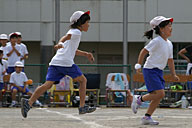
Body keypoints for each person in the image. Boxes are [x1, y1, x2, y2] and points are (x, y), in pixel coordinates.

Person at [21, 10, 96, 118]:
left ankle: (28, 103)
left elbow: (71, 49)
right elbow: (66, 37)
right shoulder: (76, 32)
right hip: (66, 63)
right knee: (83, 80)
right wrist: (60, 42)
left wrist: (86, 54)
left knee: (47, 85)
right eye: (87, 22)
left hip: (55, 62)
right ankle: (82, 106)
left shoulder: (74, 32)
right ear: (81, 23)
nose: (88, 25)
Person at [132, 16, 179, 125]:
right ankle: (138, 99)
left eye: (171, 26)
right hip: (150, 70)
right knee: (160, 94)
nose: (171, 28)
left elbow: (170, 60)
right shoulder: (157, 41)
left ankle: (147, 117)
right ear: (161, 29)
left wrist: (173, 74)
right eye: (168, 26)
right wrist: (139, 64)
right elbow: (143, 51)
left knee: (157, 95)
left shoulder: (169, 43)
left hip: (158, 71)